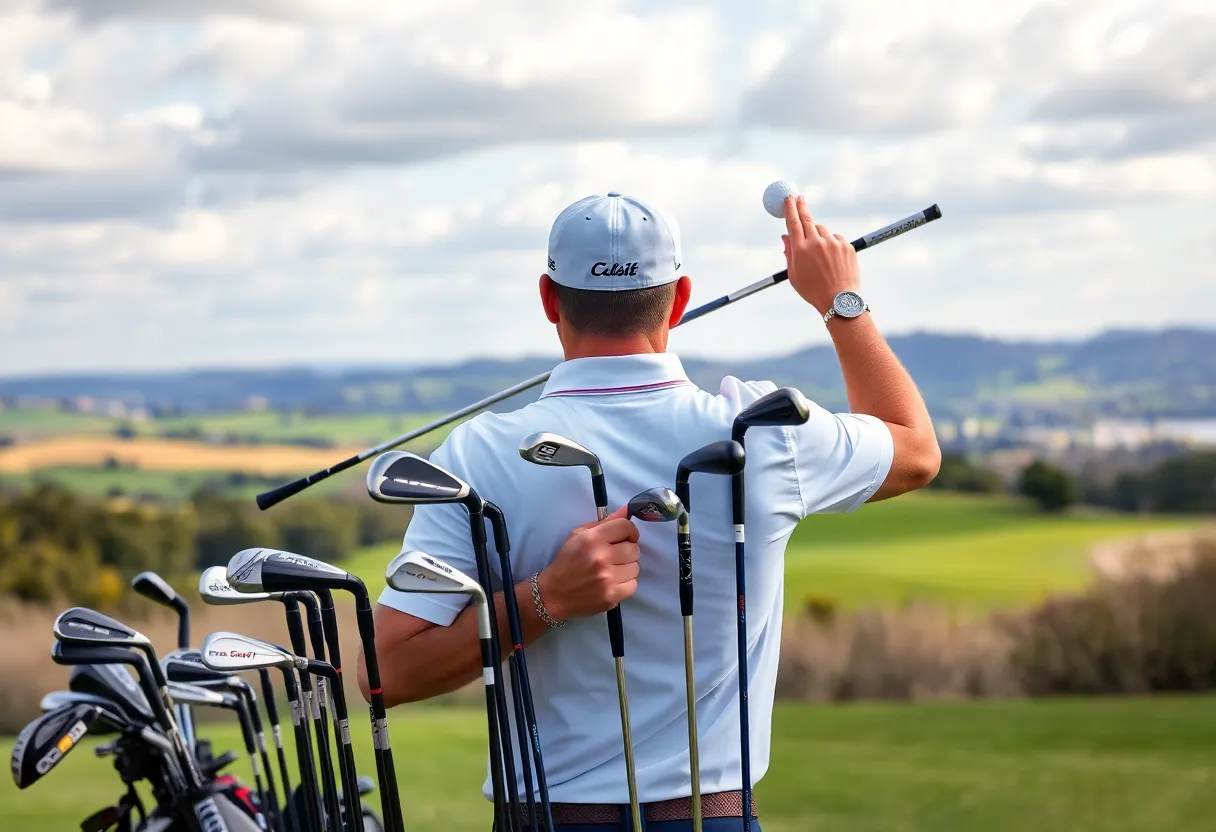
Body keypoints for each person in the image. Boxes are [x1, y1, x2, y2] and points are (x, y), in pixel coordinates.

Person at [358, 191, 941, 831]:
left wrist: (536, 600)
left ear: (549, 299)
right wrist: (839, 301)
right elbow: (914, 449)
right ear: (682, 297)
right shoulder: (763, 430)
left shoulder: (479, 452)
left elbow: (384, 672)